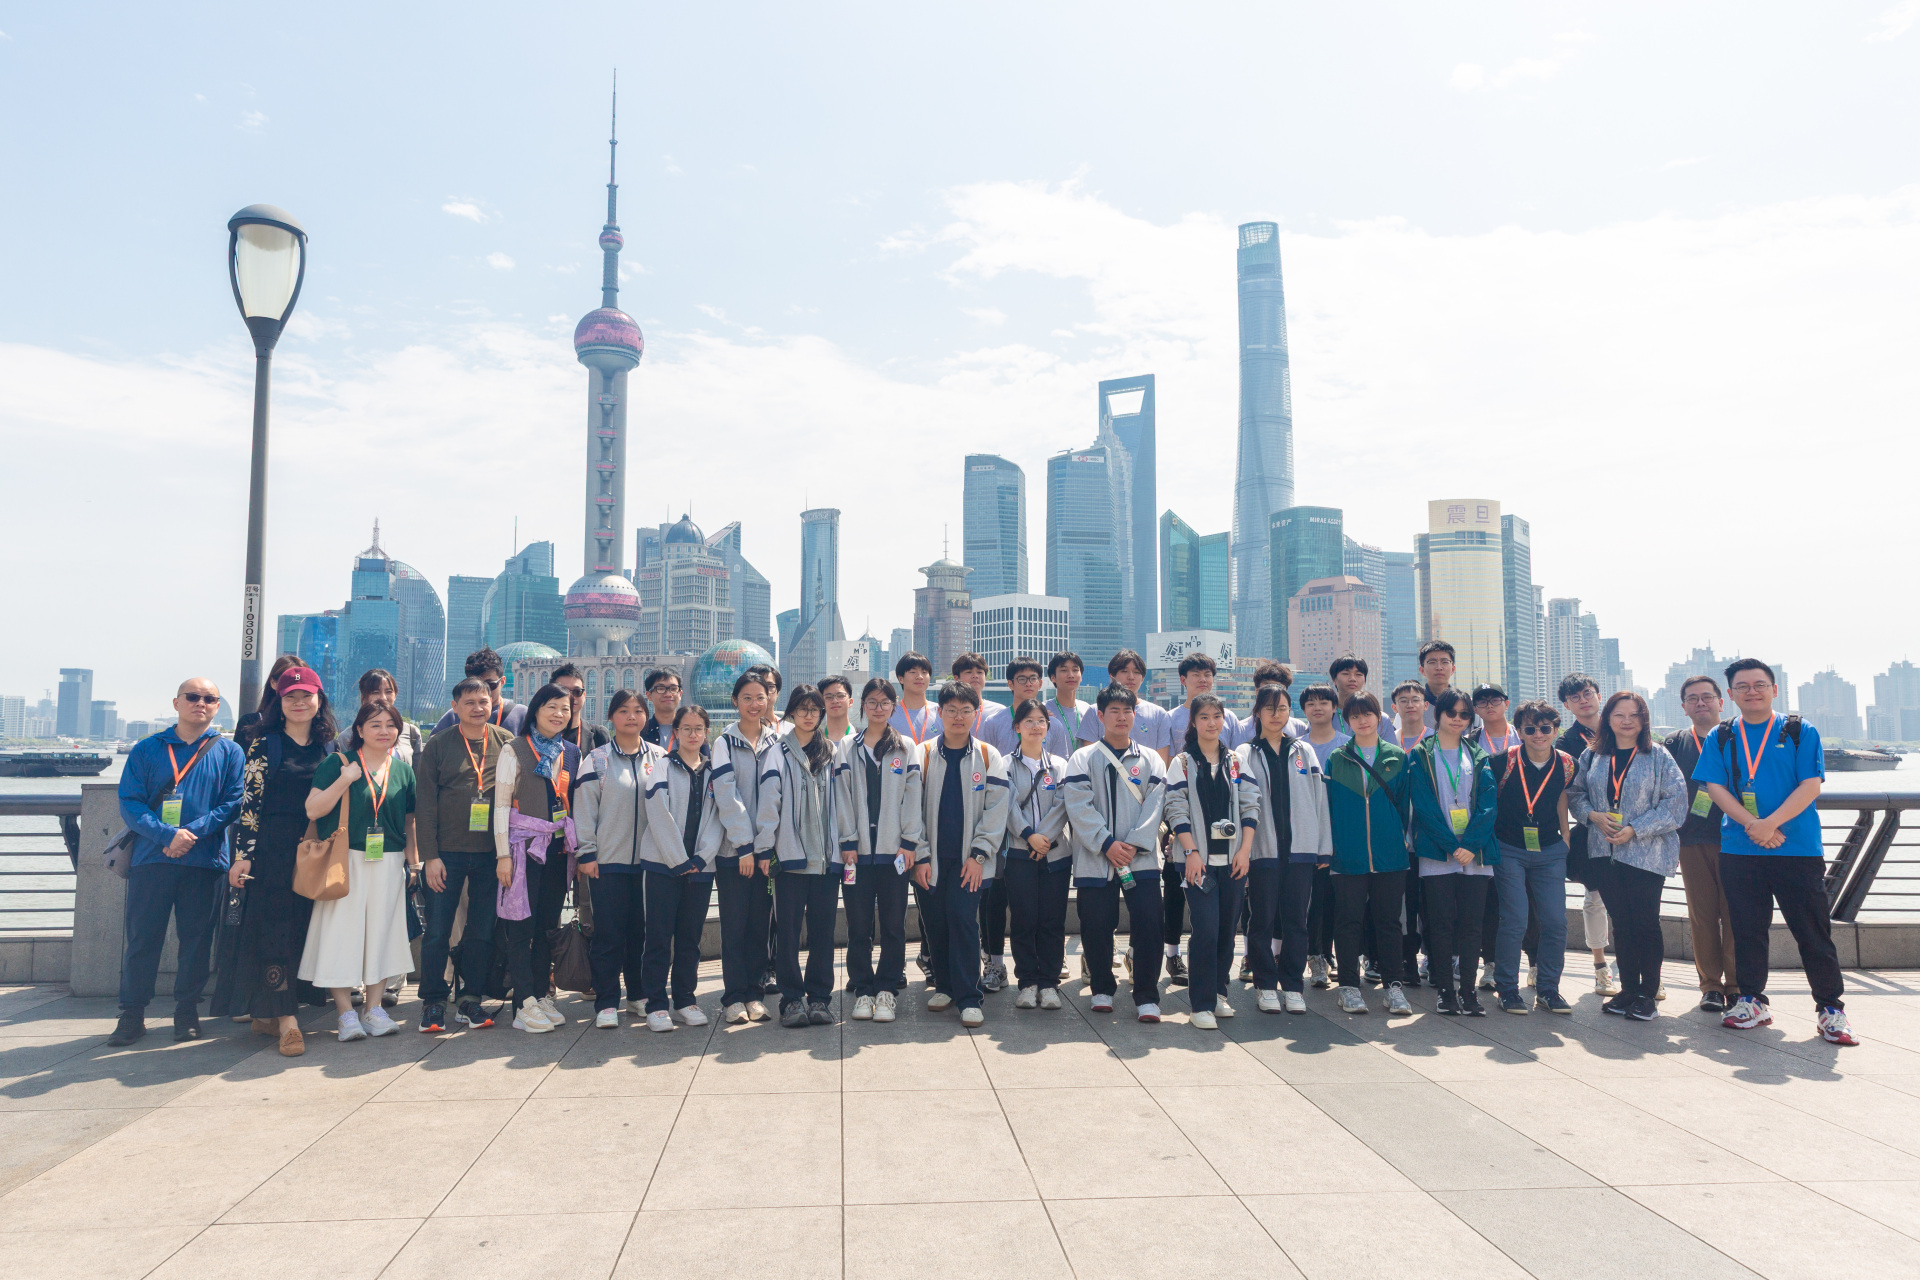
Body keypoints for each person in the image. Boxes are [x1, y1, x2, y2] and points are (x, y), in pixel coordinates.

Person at [1693, 659, 1855, 1045]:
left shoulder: (1798, 730)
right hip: (1740, 850)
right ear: (1730, 694)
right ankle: (1752, 1001)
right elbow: (1715, 787)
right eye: (1743, 686)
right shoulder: (1722, 735)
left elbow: (1811, 785)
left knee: (1812, 931)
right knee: (1746, 930)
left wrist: (1770, 824)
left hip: (1797, 849)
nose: (1752, 691)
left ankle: (1830, 1009)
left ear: (1774, 690)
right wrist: (1754, 825)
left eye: (1760, 684)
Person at [106, 678, 247, 1047]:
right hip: (151, 859)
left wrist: (189, 835)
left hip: (205, 862)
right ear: (176, 703)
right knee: (142, 939)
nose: (200, 703)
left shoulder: (229, 751)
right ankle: (132, 1014)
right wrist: (167, 836)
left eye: (209, 698)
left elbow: (233, 804)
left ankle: (187, 1011)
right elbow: (130, 802)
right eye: (193, 697)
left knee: (197, 941)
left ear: (217, 706)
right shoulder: (147, 748)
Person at [217, 666, 339, 1057]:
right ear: (279, 702)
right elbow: (249, 807)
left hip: (316, 851)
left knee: (307, 929)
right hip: (272, 852)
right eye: (291, 697)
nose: (299, 703)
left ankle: (270, 1010)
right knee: (276, 931)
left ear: (319, 700)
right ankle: (288, 1022)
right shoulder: (264, 744)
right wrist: (243, 857)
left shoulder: (330, 747)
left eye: (307, 696)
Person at [299, 704, 417, 1041]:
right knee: (340, 933)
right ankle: (345, 1013)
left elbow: (410, 822)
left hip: (389, 860)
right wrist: (344, 780)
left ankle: (373, 1008)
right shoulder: (337, 763)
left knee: (383, 934)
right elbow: (312, 809)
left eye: (391, 725)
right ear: (359, 730)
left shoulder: (403, 770)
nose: (384, 731)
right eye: (375, 724)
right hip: (345, 859)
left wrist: (414, 863)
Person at [1569, 691, 1687, 1021]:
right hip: (1602, 851)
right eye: (1619, 714)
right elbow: (1575, 794)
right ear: (1607, 718)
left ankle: (1648, 993)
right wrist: (1592, 815)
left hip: (1646, 854)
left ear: (1644, 720)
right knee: (1621, 923)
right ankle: (1628, 990)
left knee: (1646, 923)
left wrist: (1635, 828)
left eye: (1634, 715)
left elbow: (1676, 804)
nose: (1626, 721)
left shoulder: (1658, 755)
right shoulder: (1593, 755)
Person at [1063, 684, 1169, 1022]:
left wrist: (1134, 843)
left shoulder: (1151, 759)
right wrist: (1106, 843)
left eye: (1127, 711)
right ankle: (1102, 988)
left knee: (1150, 923)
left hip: (1141, 859)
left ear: (1135, 715)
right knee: (1096, 924)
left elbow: (1157, 805)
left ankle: (1147, 995)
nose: (1121, 717)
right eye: (1114, 711)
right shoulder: (1083, 758)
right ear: (1100, 716)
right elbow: (1077, 805)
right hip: (1096, 859)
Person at [412, 676, 511, 1033]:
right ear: (455, 707)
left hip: (490, 855)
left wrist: (507, 854)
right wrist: (430, 856)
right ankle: (433, 1002)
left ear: (492, 703)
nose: (477, 708)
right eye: (469, 702)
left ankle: (471, 998)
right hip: (446, 854)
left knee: (481, 930)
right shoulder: (439, 745)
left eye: (483, 701)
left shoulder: (506, 742)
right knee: (438, 931)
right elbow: (425, 806)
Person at [913, 680, 1011, 1027]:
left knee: (964, 922)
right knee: (935, 924)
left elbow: (997, 809)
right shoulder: (923, 753)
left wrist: (979, 855)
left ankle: (969, 997)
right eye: (951, 710)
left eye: (965, 710)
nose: (958, 717)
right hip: (931, 860)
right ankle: (945, 986)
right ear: (939, 713)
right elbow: (910, 810)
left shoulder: (987, 755)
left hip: (971, 861)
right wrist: (920, 856)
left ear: (976, 713)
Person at [1164, 695, 1260, 1030]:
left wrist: (1245, 851)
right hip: (1197, 862)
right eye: (1204, 717)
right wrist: (1190, 852)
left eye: (1217, 716)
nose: (1211, 723)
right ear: (1193, 722)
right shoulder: (1183, 762)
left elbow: (1250, 804)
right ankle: (1200, 1004)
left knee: (1226, 930)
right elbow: (1175, 807)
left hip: (1233, 860)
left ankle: (1219, 993)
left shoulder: (1236, 761)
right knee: (1205, 928)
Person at [1236, 684, 1331, 1014]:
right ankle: (1264, 984)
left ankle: (1292, 985)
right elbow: (1239, 803)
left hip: (1301, 850)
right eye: (1269, 708)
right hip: (1263, 850)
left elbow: (1319, 800)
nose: (1276, 715)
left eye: (1282, 708)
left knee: (1296, 921)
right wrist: (1242, 850)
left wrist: (1323, 848)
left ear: (1290, 712)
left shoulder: (1304, 751)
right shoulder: (1245, 753)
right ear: (1258, 712)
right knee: (1261, 920)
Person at [493, 684, 581, 1033]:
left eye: (565, 708)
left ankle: (541, 995)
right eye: (551, 707)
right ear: (536, 709)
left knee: (547, 926)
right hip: (522, 849)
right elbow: (501, 806)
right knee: (520, 928)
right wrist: (502, 856)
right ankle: (523, 1003)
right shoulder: (514, 749)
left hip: (557, 850)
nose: (559, 714)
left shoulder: (571, 752)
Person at [756, 685, 844, 1028]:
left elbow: (843, 803)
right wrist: (765, 848)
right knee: (788, 934)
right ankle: (791, 1000)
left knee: (824, 933)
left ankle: (820, 998)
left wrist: (845, 846)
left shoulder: (832, 751)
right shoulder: (778, 752)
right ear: (791, 712)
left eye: (815, 709)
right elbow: (769, 804)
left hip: (826, 860)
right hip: (790, 859)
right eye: (803, 709)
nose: (809, 715)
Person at [1407, 690, 1499, 1016]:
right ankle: (1445, 991)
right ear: (1439, 714)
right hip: (1437, 853)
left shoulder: (1477, 754)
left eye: (1464, 714)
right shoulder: (1421, 754)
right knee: (1440, 924)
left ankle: (1469, 992)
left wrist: (1470, 845)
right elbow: (1423, 806)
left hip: (1475, 854)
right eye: (1451, 713)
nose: (1458, 719)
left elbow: (1488, 804)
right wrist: (1452, 846)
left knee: (1472, 926)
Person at [837, 679, 924, 1022]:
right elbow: (842, 796)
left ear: (893, 706)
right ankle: (862, 989)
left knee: (893, 925)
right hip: (856, 856)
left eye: (885, 702)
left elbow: (913, 798)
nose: (878, 708)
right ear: (862, 706)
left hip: (894, 855)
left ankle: (887, 990)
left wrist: (909, 842)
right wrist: (848, 841)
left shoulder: (905, 747)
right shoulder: (847, 746)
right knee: (858, 926)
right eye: (872, 702)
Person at [573, 688, 658, 1029]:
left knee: (642, 933)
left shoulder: (659, 757)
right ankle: (607, 1001)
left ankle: (638, 995)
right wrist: (587, 853)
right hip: (607, 862)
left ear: (646, 716)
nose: (631, 716)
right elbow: (584, 810)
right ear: (611, 717)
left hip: (650, 864)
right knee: (608, 935)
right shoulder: (597, 760)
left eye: (638, 710)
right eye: (623, 710)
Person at [1324, 692, 1414, 1016]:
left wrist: (1395, 837)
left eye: (1368, 714)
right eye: (1355, 716)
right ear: (1346, 721)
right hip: (1347, 854)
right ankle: (1348, 987)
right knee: (1348, 921)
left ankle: (1394, 987)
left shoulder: (1397, 756)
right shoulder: (1337, 758)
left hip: (1390, 855)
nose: (1362, 721)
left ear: (1379, 717)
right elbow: (1329, 806)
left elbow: (1404, 806)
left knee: (1389, 923)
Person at [635, 704, 721, 1032]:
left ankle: (685, 1000)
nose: (693, 734)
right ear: (676, 732)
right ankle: (656, 1005)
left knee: (690, 938)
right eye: (686, 728)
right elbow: (658, 813)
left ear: (706, 732)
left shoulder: (714, 771)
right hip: (662, 867)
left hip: (700, 869)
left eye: (699, 729)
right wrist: (678, 860)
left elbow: (718, 818)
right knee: (658, 938)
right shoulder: (663, 766)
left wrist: (700, 858)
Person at [1490, 700, 1576, 1015]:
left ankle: (1548, 989)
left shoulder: (1567, 763)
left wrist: (1566, 836)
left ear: (1556, 730)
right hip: (1509, 848)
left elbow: (1561, 795)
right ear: (1519, 731)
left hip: (1550, 851)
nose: (1538, 734)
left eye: (1545, 728)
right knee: (1515, 918)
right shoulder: (1501, 762)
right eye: (1530, 729)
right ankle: (1507, 989)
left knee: (1555, 921)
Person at [1664, 675, 1739, 1013]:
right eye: (1692, 698)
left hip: (1737, 839)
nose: (1700, 703)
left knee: (1736, 915)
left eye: (1707, 697)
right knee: (1702, 916)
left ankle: (1737, 985)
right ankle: (1710, 986)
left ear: (1721, 702)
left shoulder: (1738, 736)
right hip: (1691, 841)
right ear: (1684, 707)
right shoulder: (1674, 743)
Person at [711, 670, 781, 1023]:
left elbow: (776, 796)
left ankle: (755, 994)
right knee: (734, 927)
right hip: (733, 854)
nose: (755, 704)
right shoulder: (723, 742)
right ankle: (733, 998)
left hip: (766, 854)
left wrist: (763, 847)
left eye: (760, 697)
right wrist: (744, 847)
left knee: (759, 926)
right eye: (747, 698)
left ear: (769, 700)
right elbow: (727, 796)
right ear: (735, 701)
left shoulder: (777, 743)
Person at [949, 654, 1015, 990]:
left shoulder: (996, 715)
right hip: (950, 823)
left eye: (980, 672)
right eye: (968, 672)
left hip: (991, 822)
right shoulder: (943, 718)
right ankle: (945, 968)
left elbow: (997, 780)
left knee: (992, 897)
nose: (974, 676)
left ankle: (990, 962)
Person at [1001, 697, 1071, 1010]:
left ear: (1048, 726)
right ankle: (1028, 982)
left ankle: (1050, 983)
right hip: (1019, 853)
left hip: (1056, 855)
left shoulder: (1060, 765)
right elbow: (1006, 805)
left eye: (1040, 721)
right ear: (1017, 727)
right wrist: (1029, 836)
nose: (1035, 726)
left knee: (1053, 921)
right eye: (1028, 721)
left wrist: (1044, 839)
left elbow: (1064, 805)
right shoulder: (1004, 764)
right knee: (1023, 919)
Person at [1557, 673, 1622, 998]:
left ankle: (1638, 965)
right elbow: (1569, 791)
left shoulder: (1622, 727)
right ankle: (1600, 968)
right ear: (1567, 705)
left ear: (1599, 695)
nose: (1583, 700)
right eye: (1575, 697)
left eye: (1587, 693)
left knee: (1634, 901)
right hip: (1591, 830)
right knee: (1594, 898)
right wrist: (1591, 816)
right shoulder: (1565, 743)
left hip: (1631, 830)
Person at [1294, 683, 1348, 989]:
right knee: (1313, 899)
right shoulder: (1296, 747)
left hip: (1342, 831)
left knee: (1337, 899)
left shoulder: (1347, 745)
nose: (1317, 708)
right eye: (1311, 703)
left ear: (1334, 708)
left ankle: (1329, 953)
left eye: (1324, 702)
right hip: (1308, 833)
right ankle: (1314, 955)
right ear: (1303, 710)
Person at [1080, 650, 1169, 760]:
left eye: (1136, 672)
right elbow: (1088, 757)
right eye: (1124, 671)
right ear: (1112, 676)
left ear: (1142, 678)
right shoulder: (1095, 711)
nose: (1131, 677)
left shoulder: (1159, 714)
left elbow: (1161, 762)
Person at [327, 668, 424, 763]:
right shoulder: (346, 737)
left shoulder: (411, 733)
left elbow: (417, 772)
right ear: (363, 698)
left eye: (388, 692)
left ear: (395, 695)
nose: (383, 697)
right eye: (376, 692)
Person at [433, 648, 527, 734]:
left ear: (502, 681)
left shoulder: (521, 715)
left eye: (490, 684)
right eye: (475, 686)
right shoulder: (453, 716)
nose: (484, 691)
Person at [235, 653, 304, 747]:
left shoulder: (318, 729)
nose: (295, 687)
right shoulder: (250, 723)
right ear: (273, 682)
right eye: (288, 680)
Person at [550, 663, 612, 755]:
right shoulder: (540, 734)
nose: (571, 697)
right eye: (563, 691)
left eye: (577, 691)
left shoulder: (598, 735)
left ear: (584, 695)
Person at [1042, 651, 1093, 760]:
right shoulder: (1043, 710)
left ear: (1081, 676)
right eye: (1064, 670)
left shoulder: (1088, 709)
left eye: (1075, 670)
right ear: (1053, 677)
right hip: (1054, 769)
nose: (1071, 675)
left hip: (1082, 769)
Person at [1327, 655, 1371, 736]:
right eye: (1345, 673)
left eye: (1358, 674)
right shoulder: (1324, 717)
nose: (1352, 679)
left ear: (1365, 680)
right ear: (1334, 680)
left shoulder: (1380, 719)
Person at [641, 669, 684, 749]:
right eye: (661, 689)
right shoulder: (641, 732)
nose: (668, 694)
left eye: (673, 689)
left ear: (680, 694)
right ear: (649, 695)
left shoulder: (691, 730)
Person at [819, 674, 858, 743]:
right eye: (828, 697)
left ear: (850, 702)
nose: (835, 701)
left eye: (840, 696)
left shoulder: (861, 739)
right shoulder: (814, 740)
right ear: (821, 703)